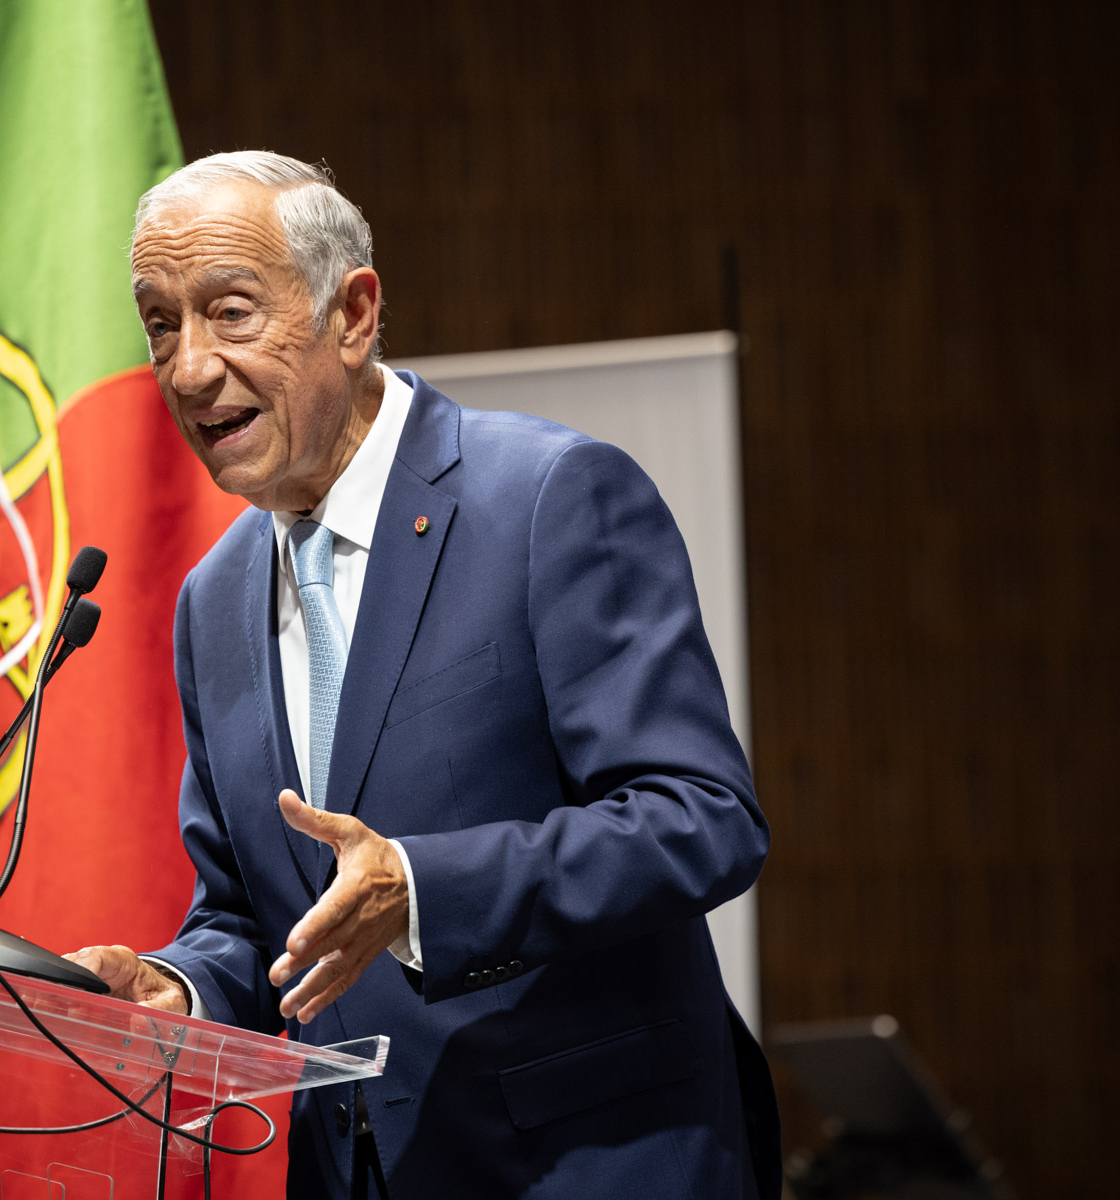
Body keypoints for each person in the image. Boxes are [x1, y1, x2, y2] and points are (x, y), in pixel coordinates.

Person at [65, 151, 779, 1198]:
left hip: (583, 1166)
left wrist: (422, 890)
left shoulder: (547, 497)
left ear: (352, 314)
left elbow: (700, 819)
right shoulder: (211, 600)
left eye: (230, 312)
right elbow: (252, 915)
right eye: (161, 325)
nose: (188, 369)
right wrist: (179, 985)